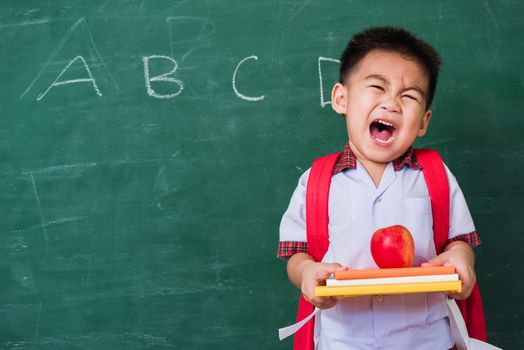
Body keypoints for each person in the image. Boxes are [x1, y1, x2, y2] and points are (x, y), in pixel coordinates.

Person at [278, 27, 480, 350]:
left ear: (424, 121)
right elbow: (295, 254)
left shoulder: (435, 175)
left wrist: (460, 259)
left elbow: (460, 240)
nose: (391, 104)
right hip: (342, 340)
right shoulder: (316, 181)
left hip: (426, 339)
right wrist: (306, 272)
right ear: (341, 98)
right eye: (377, 87)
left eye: (409, 95)